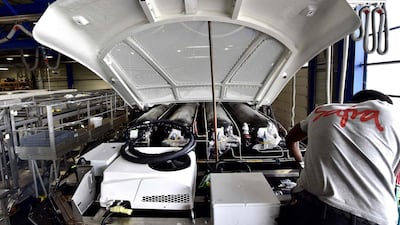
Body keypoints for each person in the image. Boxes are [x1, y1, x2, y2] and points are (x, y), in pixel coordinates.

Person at [279, 89, 400, 225]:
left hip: (311, 207)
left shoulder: (323, 110)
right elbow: (394, 176)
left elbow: (290, 139)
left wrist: (300, 161)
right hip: (374, 215)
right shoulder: (393, 114)